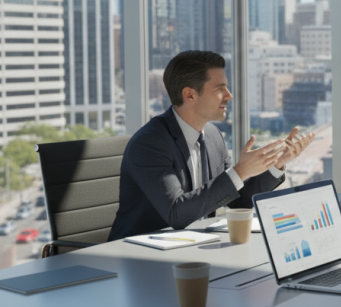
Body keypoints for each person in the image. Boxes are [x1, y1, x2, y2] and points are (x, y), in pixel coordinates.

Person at [108, 51, 315, 241]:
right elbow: (176, 213)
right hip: (139, 254)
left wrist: (276, 165)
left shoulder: (213, 136)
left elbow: (238, 201)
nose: (229, 96)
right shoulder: (150, 143)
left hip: (192, 247)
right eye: (220, 89)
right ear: (189, 95)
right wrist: (240, 171)